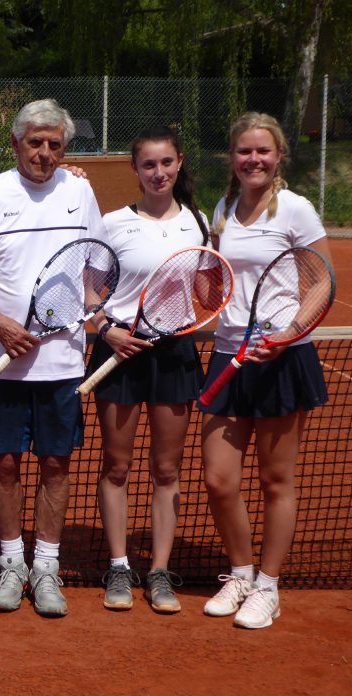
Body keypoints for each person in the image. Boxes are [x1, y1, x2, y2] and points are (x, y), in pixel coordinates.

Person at [0, 99, 105, 618]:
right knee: (3, 464)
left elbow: (95, 267)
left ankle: (46, 566)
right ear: (16, 143)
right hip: (0, 361)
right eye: (35, 142)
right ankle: (11, 562)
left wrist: (91, 308)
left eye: (55, 144)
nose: (44, 153)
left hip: (62, 363)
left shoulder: (80, 191)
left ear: (65, 147)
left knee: (57, 465)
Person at [199, 113, 331, 630]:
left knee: (277, 480)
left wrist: (287, 335)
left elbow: (320, 283)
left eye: (263, 151)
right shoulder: (224, 209)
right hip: (229, 356)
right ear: (232, 158)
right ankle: (240, 574)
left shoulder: (295, 209)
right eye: (244, 152)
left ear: (278, 156)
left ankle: (268, 587)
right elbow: (217, 286)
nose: (253, 160)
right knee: (218, 479)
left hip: (283, 357)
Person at [86, 126, 211, 613]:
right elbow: (91, 288)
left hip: (175, 352)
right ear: (135, 170)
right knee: (116, 466)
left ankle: (159, 571)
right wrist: (105, 328)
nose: (159, 173)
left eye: (167, 163)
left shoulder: (198, 224)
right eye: (148, 165)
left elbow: (204, 292)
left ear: (179, 163)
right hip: (120, 351)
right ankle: (119, 565)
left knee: (166, 469)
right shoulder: (113, 223)